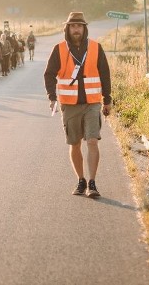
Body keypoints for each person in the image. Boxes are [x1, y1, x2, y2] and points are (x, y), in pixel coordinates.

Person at [44, 11, 112, 198]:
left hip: (92, 103)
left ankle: (92, 183)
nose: (76, 29)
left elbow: (105, 74)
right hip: (69, 104)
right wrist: (52, 97)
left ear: (84, 28)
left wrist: (107, 100)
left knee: (91, 141)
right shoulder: (59, 49)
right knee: (74, 144)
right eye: (73, 26)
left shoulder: (96, 47)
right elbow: (49, 74)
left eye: (79, 26)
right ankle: (80, 180)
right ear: (67, 28)